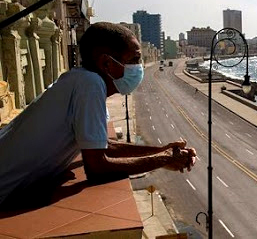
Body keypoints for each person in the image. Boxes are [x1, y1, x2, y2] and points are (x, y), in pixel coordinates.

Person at [0, 22, 196, 207]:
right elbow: (97, 167)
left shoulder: (80, 80)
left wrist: (162, 150)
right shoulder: (89, 85)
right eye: (134, 60)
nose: (139, 67)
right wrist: (165, 159)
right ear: (106, 63)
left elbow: (104, 145)